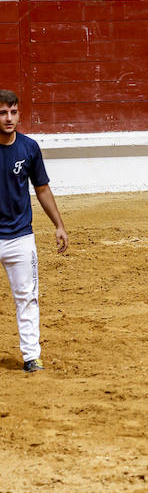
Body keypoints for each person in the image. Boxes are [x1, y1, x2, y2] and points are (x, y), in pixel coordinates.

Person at [0, 89, 67, 373]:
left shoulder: (29, 148)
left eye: (13, 112)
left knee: (27, 296)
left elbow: (42, 189)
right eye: (3, 112)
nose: (8, 118)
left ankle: (31, 356)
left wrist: (59, 225)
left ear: (19, 113)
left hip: (20, 236)